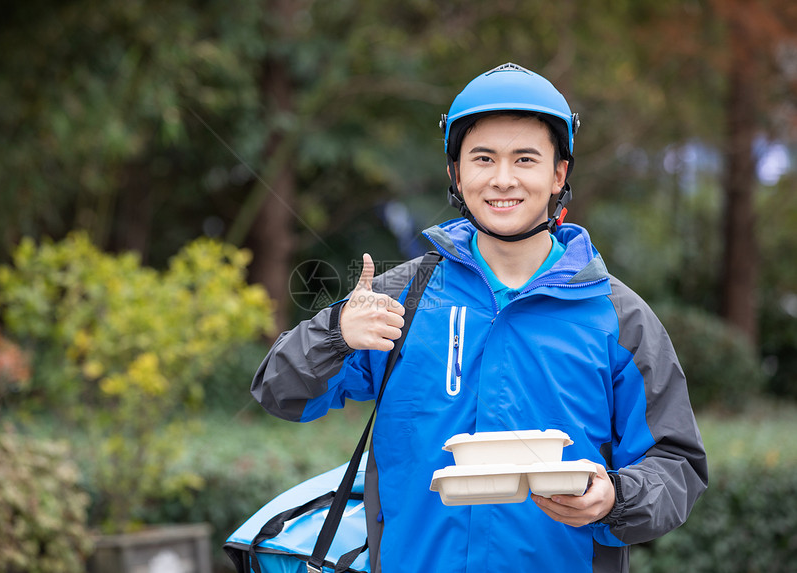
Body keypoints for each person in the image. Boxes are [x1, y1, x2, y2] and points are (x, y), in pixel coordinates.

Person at [251, 62, 708, 572]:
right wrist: (336, 335)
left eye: (525, 159)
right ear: (456, 172)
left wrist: (615, 497)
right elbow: (277, 390)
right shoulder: (401, 297)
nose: (503, 179)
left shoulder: (619, 318)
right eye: (484, 158)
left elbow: (677, 464)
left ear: (559, 174)